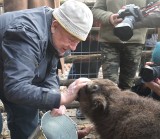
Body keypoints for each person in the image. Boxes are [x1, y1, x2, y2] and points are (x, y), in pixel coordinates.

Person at [0, 0, 93, 138]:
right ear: (55, 26)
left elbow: (48, 71)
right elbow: (15, 87)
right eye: (72, 39)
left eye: (78, 41)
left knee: (27, 123)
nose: (73, 48)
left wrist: (54, 100)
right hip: (13, 75)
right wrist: (62, 97)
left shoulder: (55, 31)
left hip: (14, 71)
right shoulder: (27, 34)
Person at [92, 0, 157, 90]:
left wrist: (133, 20)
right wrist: (109, 17)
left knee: (127, 86)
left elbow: (156, 11)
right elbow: (96, 10)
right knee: (110, 86)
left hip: (135, 42)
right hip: (109, 42)